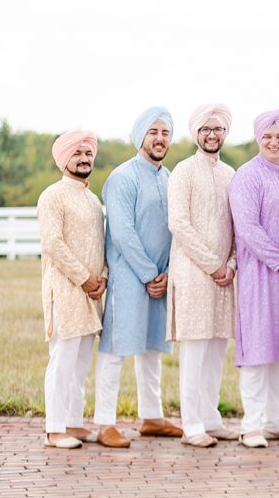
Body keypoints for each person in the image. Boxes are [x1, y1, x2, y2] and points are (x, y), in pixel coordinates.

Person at [96, 107, 182, 448]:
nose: (160, 139)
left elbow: (175, 228)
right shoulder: (122, 177)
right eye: (153, 132)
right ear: (140, 136)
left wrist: (166, 274)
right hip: (130, 277)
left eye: (165, 133)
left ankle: (152, 416)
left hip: (161, 277)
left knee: (151, 349)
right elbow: (122, 232)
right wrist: (148, 274)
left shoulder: (168, 177)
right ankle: (104, 423)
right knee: (116, 349)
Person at [228, 109, 279, 448]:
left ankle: (276, 421)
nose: (274, 142)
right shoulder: (246, 176)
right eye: (268, 136)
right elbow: (247, 228)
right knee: (259, 349)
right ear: (258, 138)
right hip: (259, 274)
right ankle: (252, 424)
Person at [166, 104, 238, 448]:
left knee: (216, 348)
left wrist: (233, 264)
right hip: (194, 273)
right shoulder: (183, 171)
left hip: (225, 275)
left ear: (225, 133)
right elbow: (178, 223)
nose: (212, 134)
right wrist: (213, 264)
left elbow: (238, 225)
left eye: (218, 129)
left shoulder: (230, 174)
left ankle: (211, 417)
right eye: (206, 129)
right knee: (194, 349)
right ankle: (192, 424)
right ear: (195, 133)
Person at [37, 130, 106, 448]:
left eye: (88, 153)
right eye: (77, 153)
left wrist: (101, 276)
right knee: (62, 359)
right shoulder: (52, 195)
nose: (84, 158)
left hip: (91, 292)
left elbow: (102, 244)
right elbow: (54, 244)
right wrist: (83, 277)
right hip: (65, 289)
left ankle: (73, 422)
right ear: (65, 158)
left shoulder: (93, 200)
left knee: (80, 361)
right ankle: (54, 429)